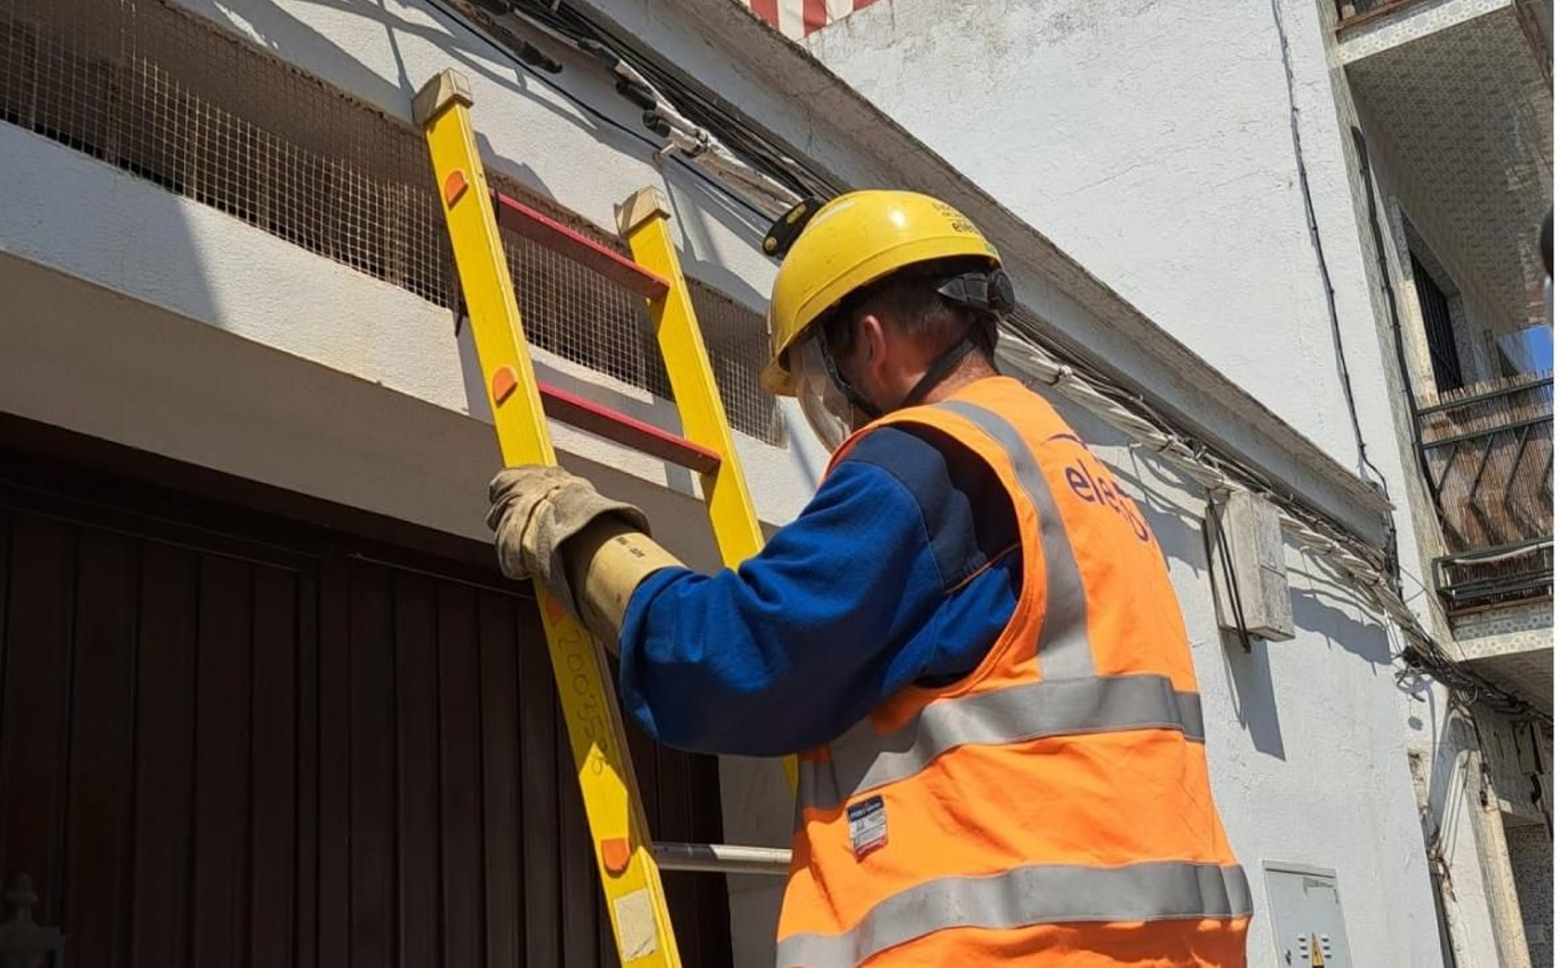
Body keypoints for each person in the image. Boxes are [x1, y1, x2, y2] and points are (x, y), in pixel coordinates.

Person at [488, 191, 1251, 966]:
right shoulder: (1081, 480)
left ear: (871, 342)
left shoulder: (927, 465)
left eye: (824, 380)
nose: (837, 413)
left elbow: (731, 659)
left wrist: (582, 538)